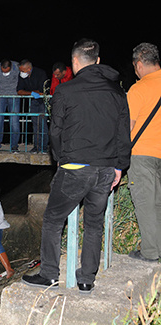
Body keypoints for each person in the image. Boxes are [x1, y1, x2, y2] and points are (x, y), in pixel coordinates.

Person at [22, 39, 131, 294]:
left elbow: (55, 130)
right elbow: (123, 134)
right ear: (98, 61)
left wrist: (61, 158)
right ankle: (86, 280)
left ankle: (49, 274)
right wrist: (119, 167)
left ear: (74, 62)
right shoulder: (117, 92)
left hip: (75, 167)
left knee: (52, 219)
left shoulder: (66, 91)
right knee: (93, 223)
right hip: (106, 169)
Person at [126, 42, 161, 263]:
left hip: (142, 154)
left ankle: (150, 252)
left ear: (139, 64)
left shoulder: (138, 89)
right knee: (158, 203)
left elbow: (127, 127)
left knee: (146, 204)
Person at [17, 60, 49, 153]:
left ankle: (43, 147)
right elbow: (19, 91)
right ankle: (36, 146)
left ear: (29, 69)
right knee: (35, 124)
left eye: (22, 71)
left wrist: (31, 92)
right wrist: (31, 93)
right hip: (33, 101)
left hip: (43, 101)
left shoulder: (40, 73)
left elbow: (42, 91)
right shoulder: (22, 76)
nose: (21, 73)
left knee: (42, 124)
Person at [0, 59, 20, 152]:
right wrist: (0, 85)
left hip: (14, 95)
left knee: (14, 122)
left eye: (6, 71)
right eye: (3, 71)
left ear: (11, 68)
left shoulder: (17, 67)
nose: (5, 73)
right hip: (0, 95)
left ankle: (14, 146)